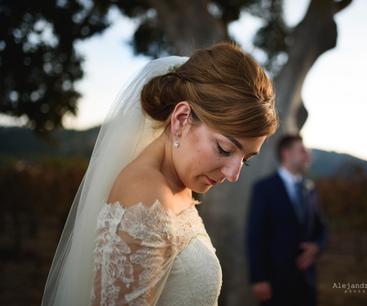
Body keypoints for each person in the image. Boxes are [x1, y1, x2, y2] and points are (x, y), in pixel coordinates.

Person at [41, 42, 279, 306]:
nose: (233, 174)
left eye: (245, 160)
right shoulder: (145, 196)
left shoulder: (177, 183)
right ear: (180, 119)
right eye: (224, 149)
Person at [246, 134, 327, 306]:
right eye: (302, 150)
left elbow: (322, 228)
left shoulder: (310, 188)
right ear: (286, 153)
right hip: (275, 282)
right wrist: (258, 278)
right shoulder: (264, 188)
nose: (308, 155)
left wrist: (317, 247)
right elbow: (255, 236)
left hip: (307, 282)